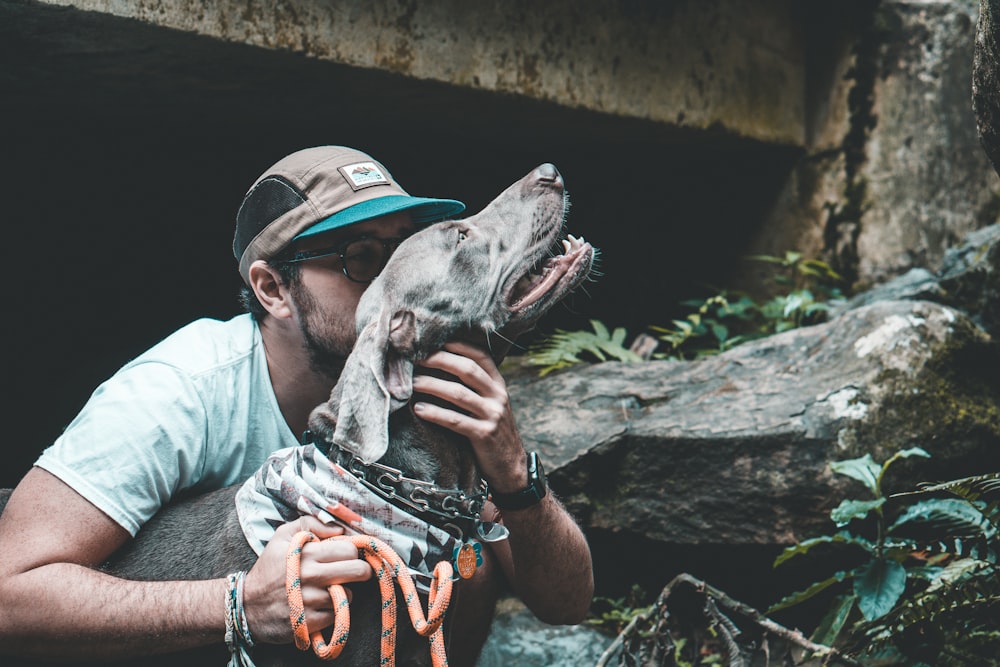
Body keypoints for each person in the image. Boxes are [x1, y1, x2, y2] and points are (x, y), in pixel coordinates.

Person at [0, 146, 594, 664]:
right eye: (360, 258)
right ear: (272, 289)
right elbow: (9, 597)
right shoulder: (178, 389)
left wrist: (515, 472)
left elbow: (566, 604)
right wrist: (236, 603)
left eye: (403, 247)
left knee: (469, 562)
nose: (396, 273)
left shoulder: (422, 395)